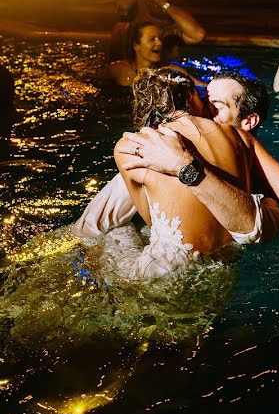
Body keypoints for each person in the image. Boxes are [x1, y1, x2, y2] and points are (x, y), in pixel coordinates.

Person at [74, 71, 279, 246]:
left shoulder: (243, 147)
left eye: (215, 107)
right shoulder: (162, 148)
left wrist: (183, 165)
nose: (202, 113)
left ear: (248, 122)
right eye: (203, 102)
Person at [107, 68, 254, 278]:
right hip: (225, 267)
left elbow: (151, 220)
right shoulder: (235, 135)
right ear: (191, 96)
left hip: (165, 274)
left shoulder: (131, 147)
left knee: (114, 232)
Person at [108, 0, 207, 64]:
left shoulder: (163, 29)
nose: (118, 4)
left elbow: (198, 35)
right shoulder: (119, 30)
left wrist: (163, 2)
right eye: (116, 0)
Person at [106, 21, 205, 87]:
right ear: (137, 46)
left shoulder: (170, 71)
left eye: (159, 38)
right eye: (152, 39)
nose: (159, 43)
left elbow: (203, 87)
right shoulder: (118, 70)